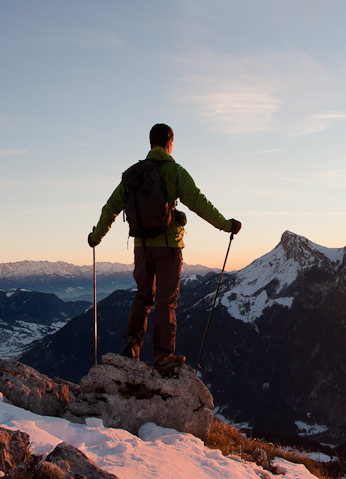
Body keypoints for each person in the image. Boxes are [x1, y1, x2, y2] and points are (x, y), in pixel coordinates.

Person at [88, 123, 240, 371]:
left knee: (143, 296)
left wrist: (96, 236)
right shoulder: (174, 172)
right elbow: (198, 202)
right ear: (170, 143)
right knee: (166, 302)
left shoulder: (133, 175)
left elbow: (111, 208)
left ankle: (132, 345)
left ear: (150, 143)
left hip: (141, 247)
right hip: (169, 248)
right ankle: (162, 356)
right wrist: (226, 225)